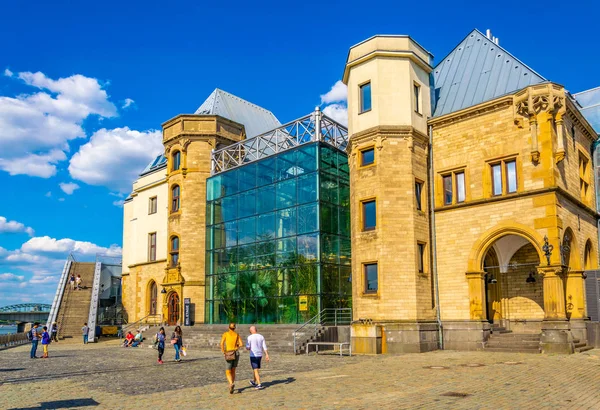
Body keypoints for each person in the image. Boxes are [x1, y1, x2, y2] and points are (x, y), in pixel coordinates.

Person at [220, 322, 243, 394]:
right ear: (234, 328)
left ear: (228, 327)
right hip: (236, 353)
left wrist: (223, 351)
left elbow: (221, 343)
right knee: (233, 370)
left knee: (227, 370)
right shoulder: (236, 334)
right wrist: (237, 345)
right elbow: (241, 344)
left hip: (229, 353)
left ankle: (231, 383)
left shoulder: (226, 334)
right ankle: (232, 383)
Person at [246, 325, 270, 390]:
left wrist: (248, 348)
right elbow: (264, 346)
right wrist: (267, 354)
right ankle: (254, 381)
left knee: (255, 369)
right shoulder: (261, 336)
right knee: (255, 369)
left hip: (253, 355)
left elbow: (248, 347)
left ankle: (259, 384)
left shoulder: (249, 337)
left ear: (250, 331)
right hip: (260, 355)